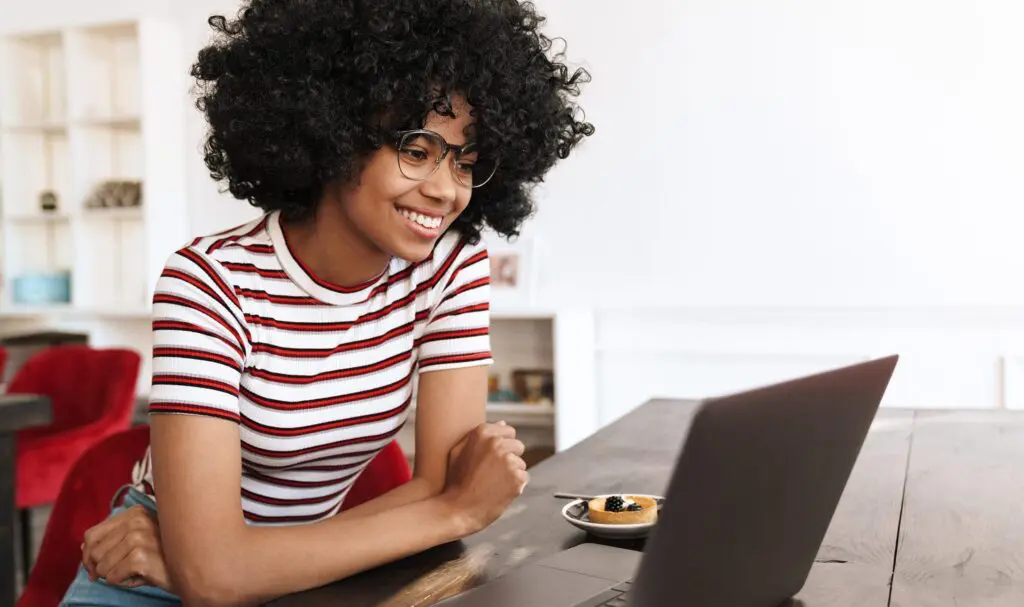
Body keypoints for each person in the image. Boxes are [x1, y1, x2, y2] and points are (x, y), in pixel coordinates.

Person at [59, 0, 592, 605]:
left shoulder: (450, 267)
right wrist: (457, 515)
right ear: (332, 133)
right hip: (148, 580)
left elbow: (444, 484)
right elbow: (213, 579)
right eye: (416, 151)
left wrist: (240, 562)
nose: (445, 190)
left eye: (465, 162)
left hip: (292, 575)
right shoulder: (208, 282)